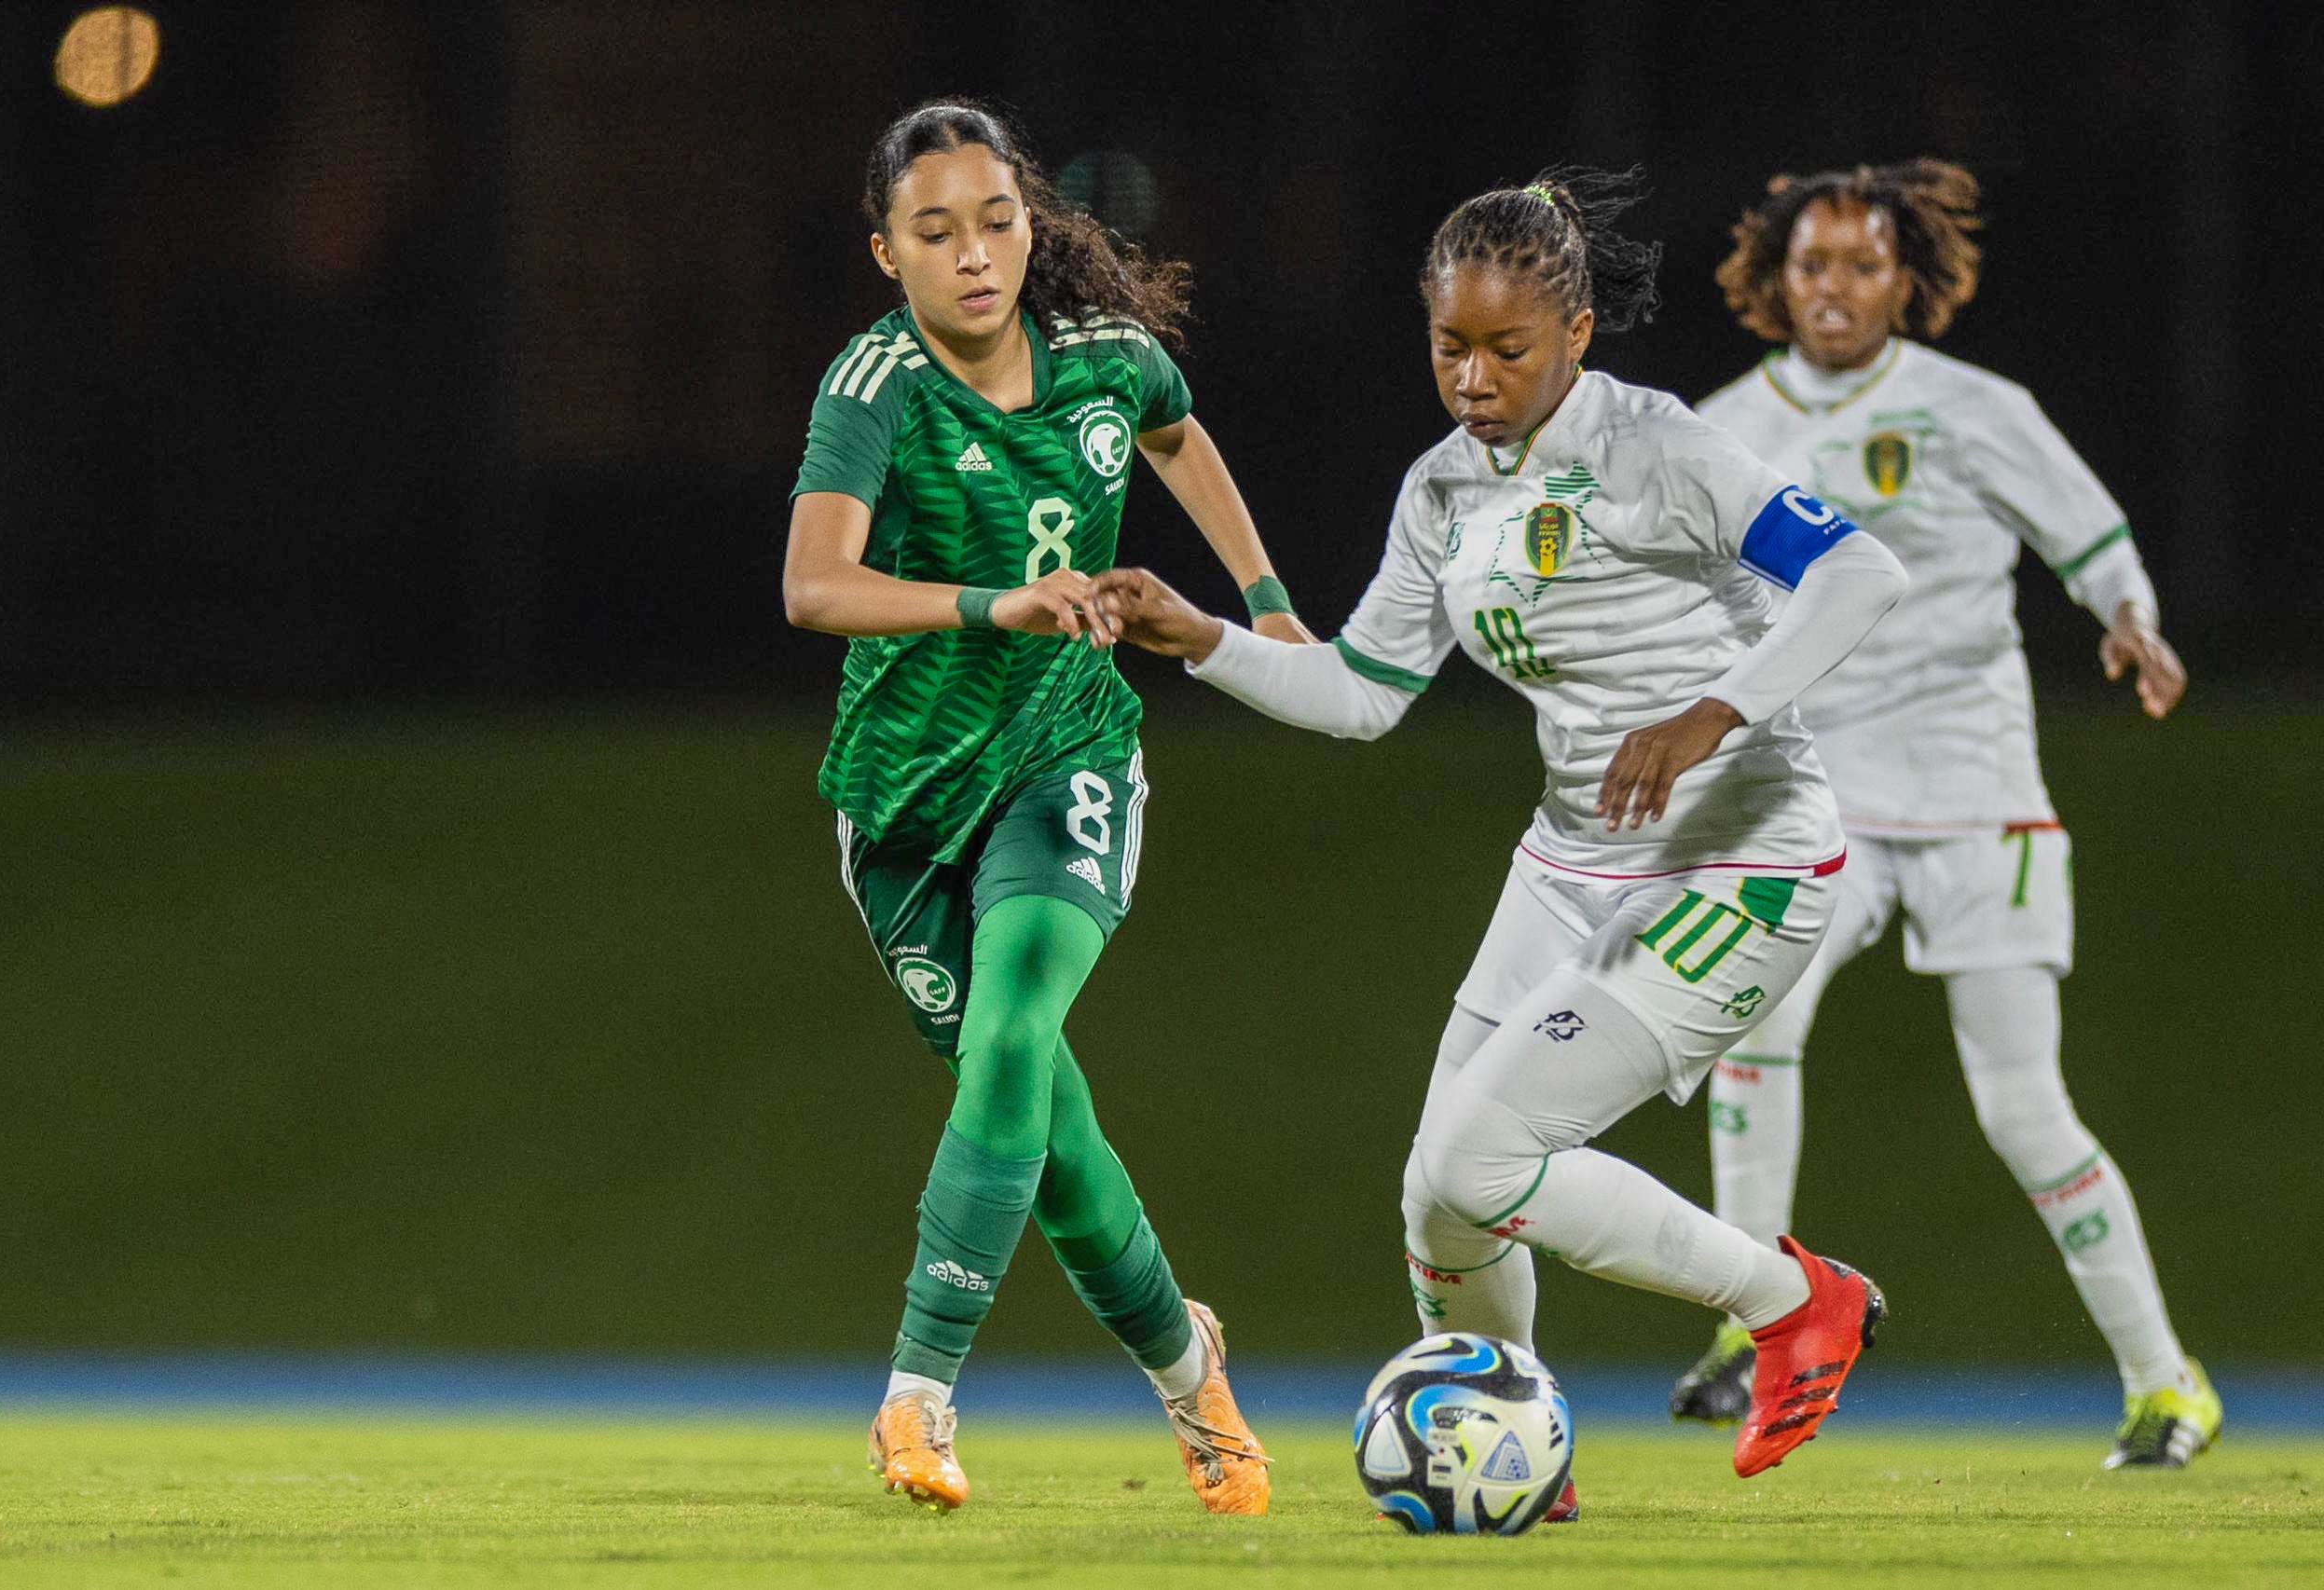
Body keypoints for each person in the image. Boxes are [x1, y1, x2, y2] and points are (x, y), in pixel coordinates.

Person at [1093, 169, 1910, 1494]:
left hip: (1742, 861)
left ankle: (1795, 1298)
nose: (1473, 375)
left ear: (1577, 334)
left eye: (1506, 348)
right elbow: (1363, 695)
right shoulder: (1439, 495)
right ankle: (1523, 1443)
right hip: (1570, 864)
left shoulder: (1660, 449)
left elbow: (1861, 572)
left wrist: (1713, 714)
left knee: (1484, 1155)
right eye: (1448, 346)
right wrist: (1206, 640)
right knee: (1438, 1202)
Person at [782, 100, 1307, 1515]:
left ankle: (915, 1392)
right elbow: (811, 586)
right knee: (1048, 1128)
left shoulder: (1105, 359)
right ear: (885, 252)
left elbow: (1176, 434)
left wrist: (1262, 602)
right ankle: (1189, 1370)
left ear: (1033, 224)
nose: (973, 255)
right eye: (934, 231)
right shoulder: (873, 385)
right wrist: (992, 601)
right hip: (899, 804)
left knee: (1017, 1025)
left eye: (997, 221)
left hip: (1065, 756)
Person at [1675, 160, 2217, 1470]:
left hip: (1979, 796)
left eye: (1865, 264)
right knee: (1750, 1016)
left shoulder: (1976, 408)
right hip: (1823, 799)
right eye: (1815, 265)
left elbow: (2092, 540)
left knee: (2025, 1107)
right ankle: (1757, 1319)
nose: (1838, 288)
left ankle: (2166, 1383)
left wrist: (2132, 622)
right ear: (1775, 279)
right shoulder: (1722, 426)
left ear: (1906, 278)